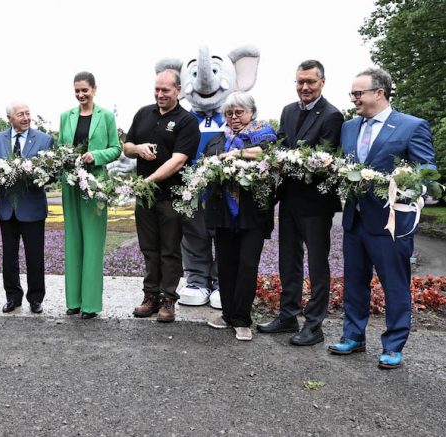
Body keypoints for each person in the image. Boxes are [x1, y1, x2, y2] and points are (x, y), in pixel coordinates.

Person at [328, 68, 435, 369]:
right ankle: (353, 336)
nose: (354, 99)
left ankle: (393, 345)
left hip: (391, 224)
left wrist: (406, 182)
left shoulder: (411, 126)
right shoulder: (349, 127)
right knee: (353, 283)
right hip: (354, 221)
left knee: (395, 285)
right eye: (352, 94)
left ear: (380, 92)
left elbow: (426, 171)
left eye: (359, 93)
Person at [257, 60, 344, 346]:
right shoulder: (288, 111)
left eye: (310, 82)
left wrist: (287, 161)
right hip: (289, 199)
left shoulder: (332, 115)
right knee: (288, 261)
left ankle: (315, 324)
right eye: (300, 82)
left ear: (322, 82)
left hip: (316, 204)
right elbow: (282, 145)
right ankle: (288, 315)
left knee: (318, 264)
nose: (304, 87)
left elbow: (323, 159)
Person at [126, 69, 200, 323]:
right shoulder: (143, 113)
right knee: (149, 249)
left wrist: (147, 181)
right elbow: (126, 147)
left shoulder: (187, 121)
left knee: (169, 250)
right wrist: (138, 148)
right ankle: (151, 297)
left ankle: (168, 299)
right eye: (156, 89)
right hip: (144, 199)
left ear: (178, 90)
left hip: (171, 196)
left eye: (165, 90)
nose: (159, 94)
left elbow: (178, 161)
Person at [203, 92, 277, 341]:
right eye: (229, 113)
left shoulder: (263, 133)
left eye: (239, 112)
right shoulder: (217, 139)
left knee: (247, 265)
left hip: (252, 214)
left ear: (251, 113)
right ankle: (227, 314)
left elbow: (268, 154)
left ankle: (242, 319)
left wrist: (236, 155)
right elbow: (205, 163)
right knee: (225, 265)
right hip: (223, 213)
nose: (234, 118)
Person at [59, 72, 121, 319]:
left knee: (93, 243)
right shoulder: (66, 116)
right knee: (72, 240)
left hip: (95, 185)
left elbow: (116, 148)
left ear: (94, 89)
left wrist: (96, 156)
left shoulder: (106, 116)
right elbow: (60, 147)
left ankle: (91, 305)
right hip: (70, 184)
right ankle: (73, 301)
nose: (81, 94)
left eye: (85, 90)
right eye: (77, 90)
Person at [0, 102, 54, 314]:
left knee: (34, 256)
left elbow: (51, 175)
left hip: (33, 207)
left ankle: (36, 298)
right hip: (7, 208)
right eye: (20, 115)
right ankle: (12, 297)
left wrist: (34, 174)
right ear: (10, 118)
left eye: (28, 113)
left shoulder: (45, 140)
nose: (26, 118)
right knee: (9, 256)